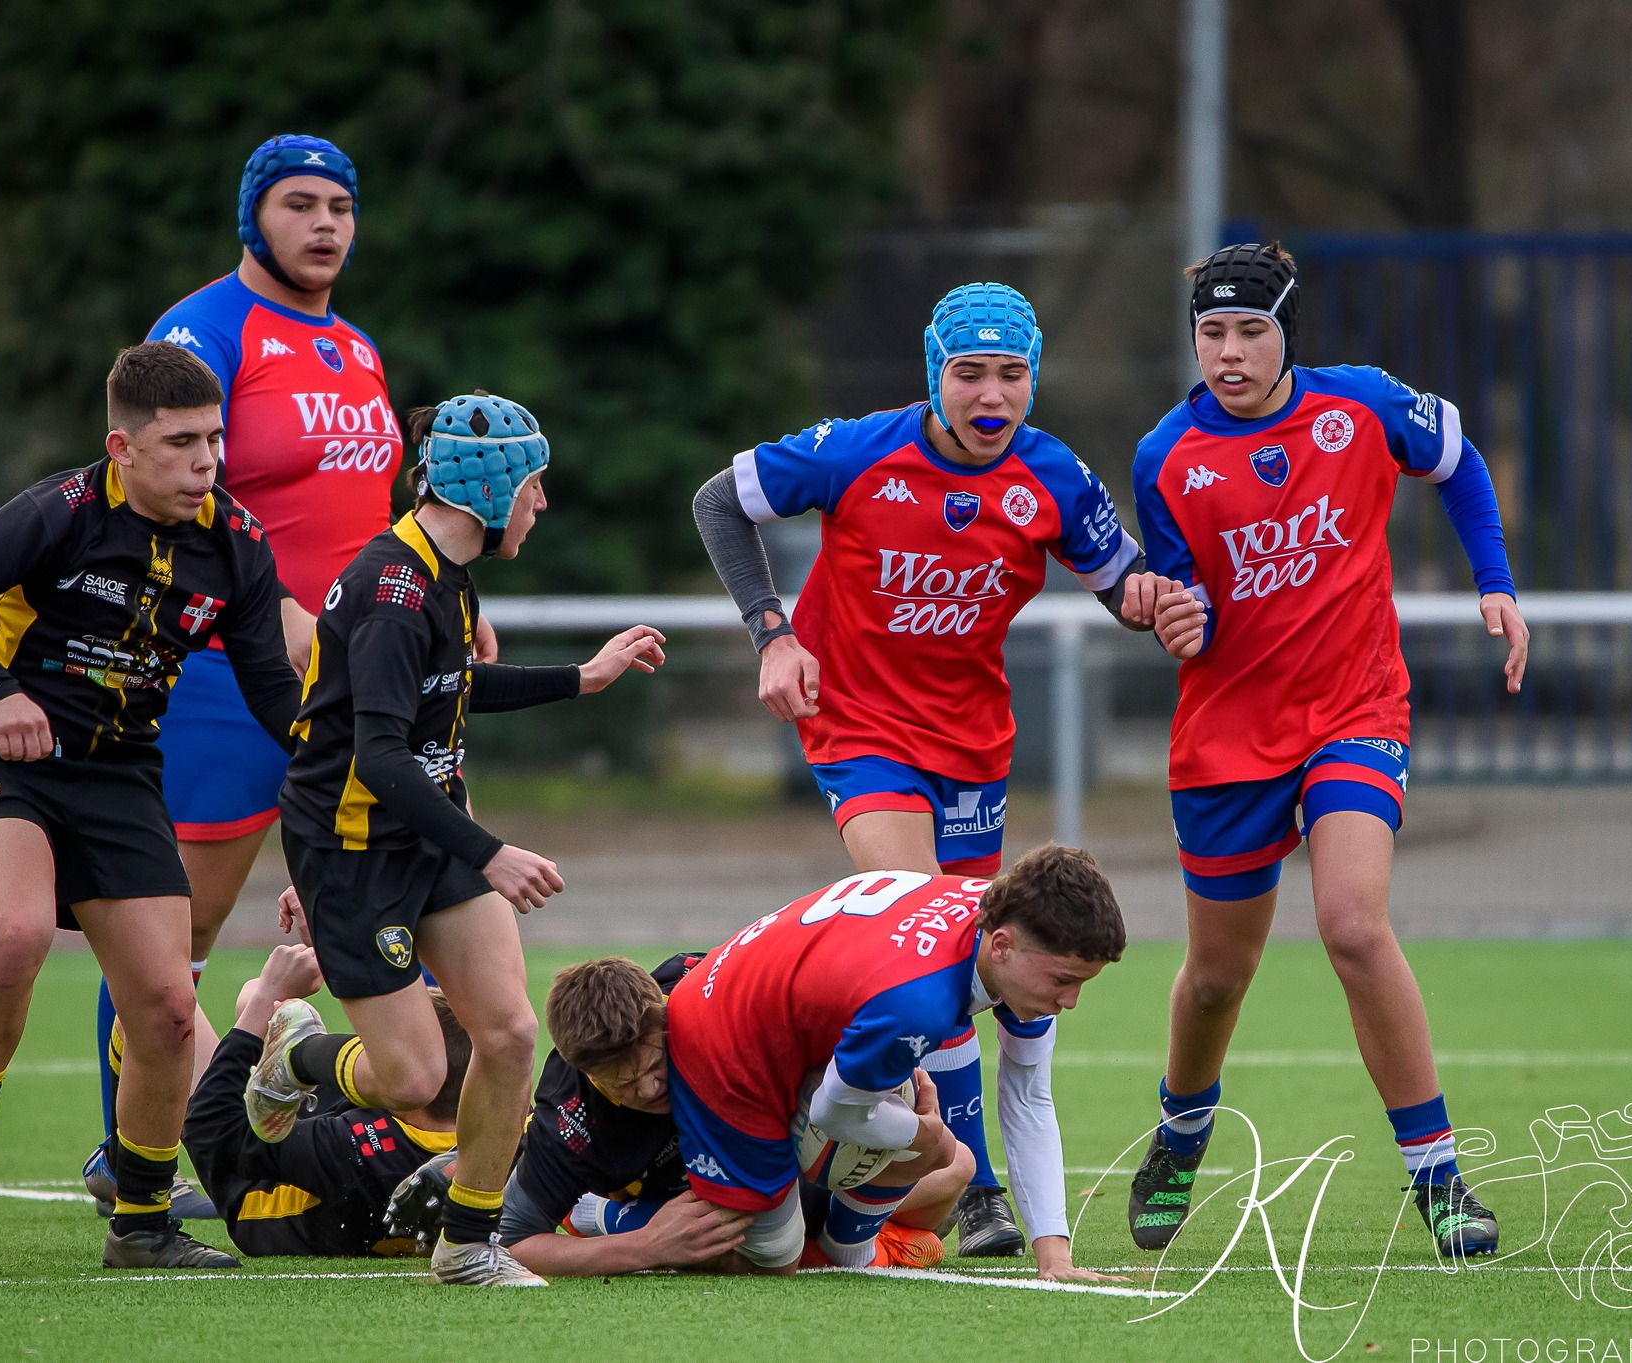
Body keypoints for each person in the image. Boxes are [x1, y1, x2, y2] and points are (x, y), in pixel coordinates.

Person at [692, 281, 1171, 1256]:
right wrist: (772, 632)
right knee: (925, 928)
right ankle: (974, 1185)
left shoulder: (1051, 474)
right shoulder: (857, 451)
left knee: (984, 947)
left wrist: (1158, 602)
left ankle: (903, 1171)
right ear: (933, 373)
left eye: (1011, 374)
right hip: (859, 727)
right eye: (969, 374)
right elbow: (718, 500)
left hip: (972, 743)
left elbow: (1121, 582)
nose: (991, 395)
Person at [1127, 241, 1528, 1260]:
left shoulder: (1360, 405)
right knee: (1216, 977)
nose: (1228, 352)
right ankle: (1180, 1132)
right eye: (1210, 332)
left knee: (1352, 924)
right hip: (1227, 735)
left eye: (1248, 331)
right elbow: (1186, 605)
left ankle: (1438, 1178)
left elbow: (1457, 460)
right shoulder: (1164, 455)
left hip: (1355, 708)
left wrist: (1493, 580)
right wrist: (1178, 619)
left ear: (1286, 335)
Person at [0, 341, 304, 1269]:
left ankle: (142, 1224)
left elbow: (274, 690)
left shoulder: (236, 542)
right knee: (16, 933)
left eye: (214, 440)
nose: (206, 463)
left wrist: (342, 769)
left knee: (166, 1003)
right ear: (123, 446)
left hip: (118, 772)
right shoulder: (61, 511)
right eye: (181, 443)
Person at [245, 391, 665, 1287]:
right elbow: (379, 754)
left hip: (428, 831)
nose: (542, 502)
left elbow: (453, 688)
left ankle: (470, 1242)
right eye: (534, 483)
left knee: (509, 1034)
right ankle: (297, 1055)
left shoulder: (447, 572)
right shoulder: (393, 591)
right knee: (410, 1077)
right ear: (492, 488)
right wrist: (489, 850)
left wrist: (582, 678)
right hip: (354, 847)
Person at [85, 134, 440, 1152]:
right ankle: (133, 1154)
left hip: (349, 673)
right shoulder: (205, 329)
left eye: (340, 206)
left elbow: (368, 508)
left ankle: (403, 1137)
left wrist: (434, 597)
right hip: (221, 672)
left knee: (397, 895)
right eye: (298, 203)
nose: (324, 224)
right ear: (253, 217)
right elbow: (167, 489)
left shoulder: (356, 346)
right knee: (173, 931)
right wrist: (272, 604)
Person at [663, 846, 1132, 1279]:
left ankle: (847, 1249)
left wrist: (1055, 1258)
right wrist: (922, 1135)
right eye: (1063, 980)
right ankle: (628, 1229)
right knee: (775, 1259)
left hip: (782, 1023)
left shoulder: (1004, 920)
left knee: (946, 1153)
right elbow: (833, 1113)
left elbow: (1028, 1099)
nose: (1071, 1001)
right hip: (723, 1045)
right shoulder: (918, 1003)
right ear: (1002, 946)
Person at [491, 953, 973, 1277]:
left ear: (661, 1010)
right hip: (698, 1202)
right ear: (587, 1073)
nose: (651, 1089)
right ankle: (609, 1217)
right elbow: (513, 1243)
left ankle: (844, 1246)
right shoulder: (569, 1123)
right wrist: (646, 1247)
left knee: (954, 1165)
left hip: (781, 1148)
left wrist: (894, 1085)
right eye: (624, 1085)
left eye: (655, 1065)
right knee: (748, 1246)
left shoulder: (711, 987)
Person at [175, 941, 465, 1258]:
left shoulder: (354, 1150)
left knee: (181, 1012)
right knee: (269, 1007)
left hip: (253, 1190)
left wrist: (264, 1000)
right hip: (370, 1141)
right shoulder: (489, 1136)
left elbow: (209, 1127)